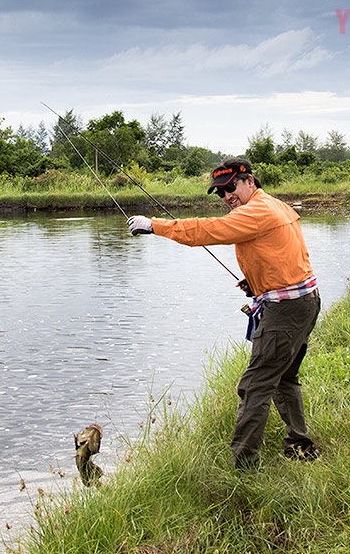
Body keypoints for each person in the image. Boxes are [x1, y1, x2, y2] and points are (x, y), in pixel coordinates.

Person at [127, 158, 321, 469]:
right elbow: (289, 253)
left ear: (249, 181)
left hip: (286, 310)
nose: (227, 196)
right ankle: (300, 445)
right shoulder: (275, 206)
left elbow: (207, 230)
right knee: (284, 377)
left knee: (255, 385)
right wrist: (257, 281)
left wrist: (155, 225)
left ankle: (243, 467)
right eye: (220, 192)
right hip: (303, 301)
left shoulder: (255, 211)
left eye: (231, 187)